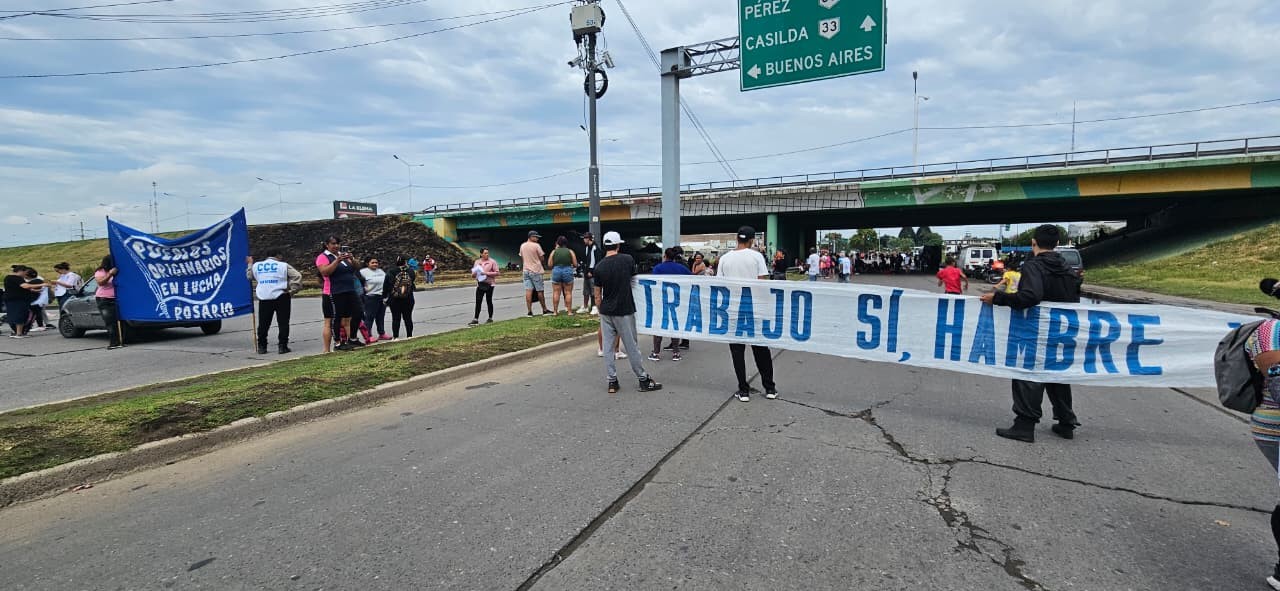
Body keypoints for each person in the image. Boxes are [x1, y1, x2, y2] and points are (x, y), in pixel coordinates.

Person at [981, 224, 1083, 443]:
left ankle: (1024, 425)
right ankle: (1066, 422)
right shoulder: (1067, 268)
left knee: (1027, 374)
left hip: (1036, 329)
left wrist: (997, 298)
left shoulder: (1033, 266)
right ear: (1057, 245)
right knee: (1057, 374)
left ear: (1033, 243)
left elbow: (1030, 296)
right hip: (1062, 329)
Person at [592, 231, 662, 394]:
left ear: (605, 246)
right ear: (618, 245)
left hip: (606, 311)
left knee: (608, 348)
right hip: (624, 310)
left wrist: (601, 310)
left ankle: (612, 381)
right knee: (631, 346)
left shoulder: (599, 267)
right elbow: (634, 279)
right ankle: (643, 379)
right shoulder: (627, 260)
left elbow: (597, 294)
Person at [718, 226, 778, 402]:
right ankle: (770, 388)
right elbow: (762, 282)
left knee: (737, 350)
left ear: (737, 238)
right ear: (752, 240)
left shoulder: (725, 258)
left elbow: (719, 285)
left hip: (733, 310)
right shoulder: (756, 256)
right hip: (754, 309)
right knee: (761, 350)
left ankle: (743, 390)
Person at [247, 253, 302, 354]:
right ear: (279, 256)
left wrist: (250, 264)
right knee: (283, 322)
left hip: (264, 297)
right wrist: (293, 290)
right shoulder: (283, 265)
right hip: (281, 295)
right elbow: (297, 276)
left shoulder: (257, 265)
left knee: (263, 323)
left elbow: (249, 276)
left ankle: (262, 347)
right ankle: (282, 346)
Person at [316, 236, 361, 352]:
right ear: (327, 245)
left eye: (338, 243)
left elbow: (356, 268)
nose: (336, 246)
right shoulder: (323, 257)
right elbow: (325, 272)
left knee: (357, 313)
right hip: (334, 291)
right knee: (336, 317)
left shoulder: (343, 255)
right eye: (333, 243)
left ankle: (352, 338)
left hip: (349, 290)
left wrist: (352, 259)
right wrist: (337, 261)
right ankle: (338, 342)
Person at [647, 248, 691, 363]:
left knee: (659, 326)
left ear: (665, 256)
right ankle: (676, 353)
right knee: (674, 326)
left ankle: (656, 353)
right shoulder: (682, 269)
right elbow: (692, 280)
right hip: (677, 301)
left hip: (661, 301)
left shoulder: (658, 268)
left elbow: (653, 283)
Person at [520, 230, 552, 316]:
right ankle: (544, 310)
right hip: (536, 271)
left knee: (528, 291)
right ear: (531, 237)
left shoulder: (522, 246)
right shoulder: (536, 246)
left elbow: (522, 258)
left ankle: (529, 311)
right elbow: (542, 258)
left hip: (526, 270)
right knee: (540, 290)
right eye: (536, 237)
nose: (537, 239)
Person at [94, 256, 122, 349]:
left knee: (120, 321)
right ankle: (113, 343)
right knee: (110, 322)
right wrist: (110, 274)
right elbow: (101, 283)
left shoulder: (118, 270)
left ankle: (120, 341)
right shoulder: (100, 272)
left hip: (117, 298)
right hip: (104, 299)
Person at [385, 257, 416, 339]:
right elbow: (412, 282)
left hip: (394, 298)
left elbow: (387, 285)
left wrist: (385, 297)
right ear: (405, 262)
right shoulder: (410, 271)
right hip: (408, 298)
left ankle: (396, 337)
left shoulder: (391, 271)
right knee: (408, 318)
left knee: (396, 318)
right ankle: (409, 336)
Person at [359, 257, 389, 343]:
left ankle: (382, 333)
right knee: (369, 317)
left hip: (381, 296)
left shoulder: (381, 271)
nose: (375, 264)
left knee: (380, 316)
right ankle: (368, 335)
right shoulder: (363, 272)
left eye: (376, 262)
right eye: (372, 263)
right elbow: (359, 283)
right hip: (370, 297)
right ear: (367, 263)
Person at [547, 235, 579, 316]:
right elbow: (575, 264)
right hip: (567, 270)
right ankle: (569, 311)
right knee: (568, 292)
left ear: (558, 243)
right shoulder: (570, 251)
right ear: (566, 243)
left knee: (556, 292)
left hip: (556, 270)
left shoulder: (554, 252)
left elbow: (549, 265)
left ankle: (555, 311)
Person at [469, 248, 500, 326]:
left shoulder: (492, 262)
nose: (487, 254)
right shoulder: (477, 262)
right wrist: (473, 274)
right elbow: (473, 274)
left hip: (490, 284)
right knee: (478, 301)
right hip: (480, 284)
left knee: (488, 300)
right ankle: (475, 319)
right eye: (485, 253)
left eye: (487, 253)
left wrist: (486, 273)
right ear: (481, 254)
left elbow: (497, 273)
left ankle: (490, 318)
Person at [4, 266, 35, 338]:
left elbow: (19, 288)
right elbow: (25, 286)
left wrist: (33, 290)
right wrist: (42, 284)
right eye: (25, 272)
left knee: (13, 315)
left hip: (12, 299)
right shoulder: (16, 278)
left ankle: (16, 332)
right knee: (20, 315)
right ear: (21, 271)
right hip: (18, 300)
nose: (26, 274)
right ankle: (19, 333)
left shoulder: (8, 278)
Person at [578, 232, 603, 315]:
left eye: (585, 238)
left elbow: (595, 261)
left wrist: (591, 271)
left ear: (589, 239)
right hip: (586, 272)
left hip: (592, 273)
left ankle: (595, 307)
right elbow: (586, 260)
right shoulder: (586, 247)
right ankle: (585, 307)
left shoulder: (595, 248)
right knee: (586, 291)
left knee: (593, 291)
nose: (584, 240)